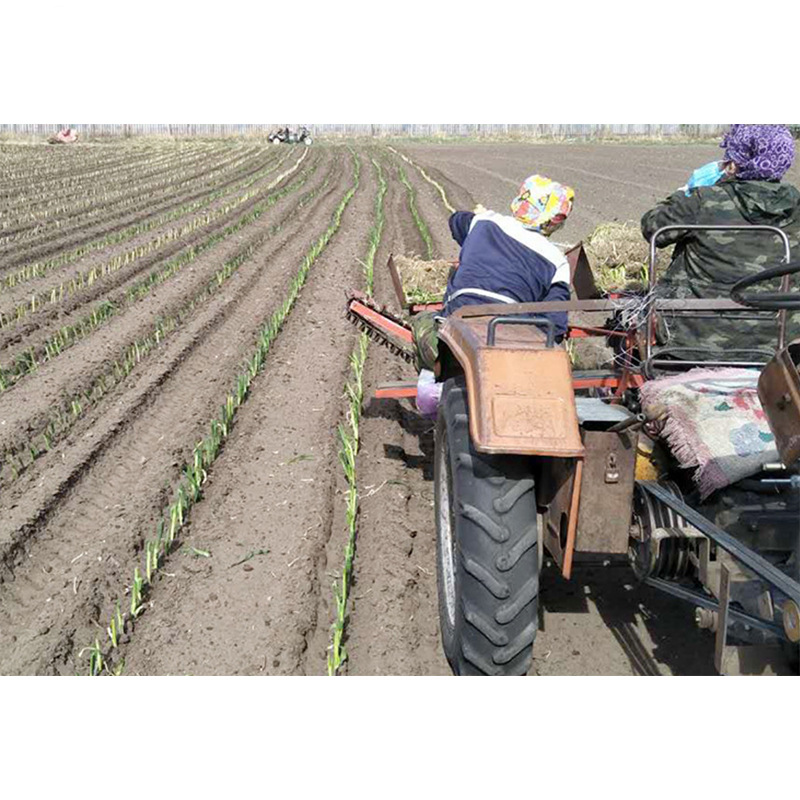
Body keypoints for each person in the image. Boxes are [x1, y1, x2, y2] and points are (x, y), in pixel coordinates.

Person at [641, 124, 800, 360]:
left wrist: (687, 190)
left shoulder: (702, 201)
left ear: (736, 161)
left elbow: (652, 227)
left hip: (691, 342)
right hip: (778, 346)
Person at [412, 174, 575, 372]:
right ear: (552, 220)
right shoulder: (557, 260)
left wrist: (479, 215)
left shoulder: (483, 222)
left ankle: (433, 379)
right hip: (511, 340)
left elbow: (456, 221)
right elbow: (555, 324)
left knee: (423, 320)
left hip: (459, 324)